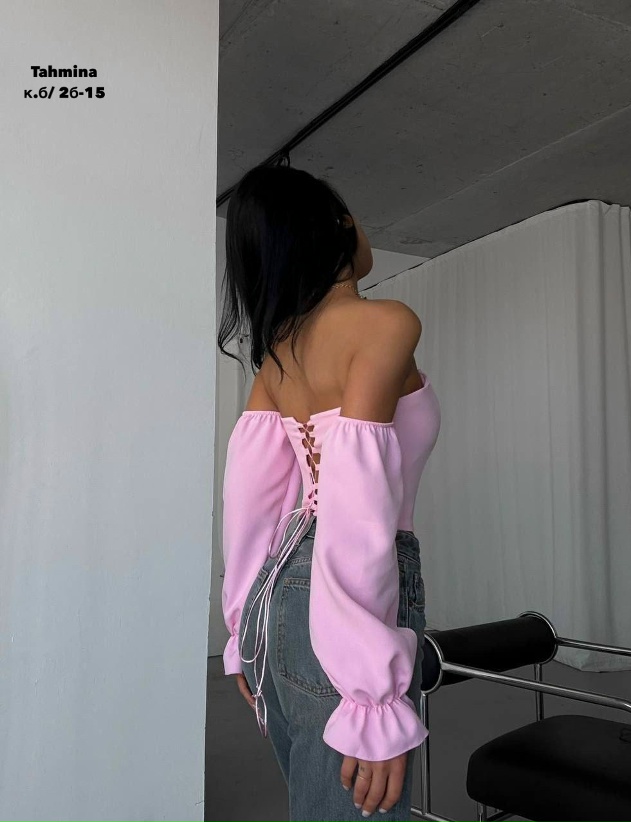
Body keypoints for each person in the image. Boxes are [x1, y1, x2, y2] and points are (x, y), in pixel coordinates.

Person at [218, 160, 441, 821]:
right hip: (348, 598)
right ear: (342, 226)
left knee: (317, 804)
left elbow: (251, 502)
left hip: (278, 599)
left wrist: (245, 627)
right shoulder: (386, 323)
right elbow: (356, 497)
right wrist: (373, 693)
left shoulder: (278, 355)